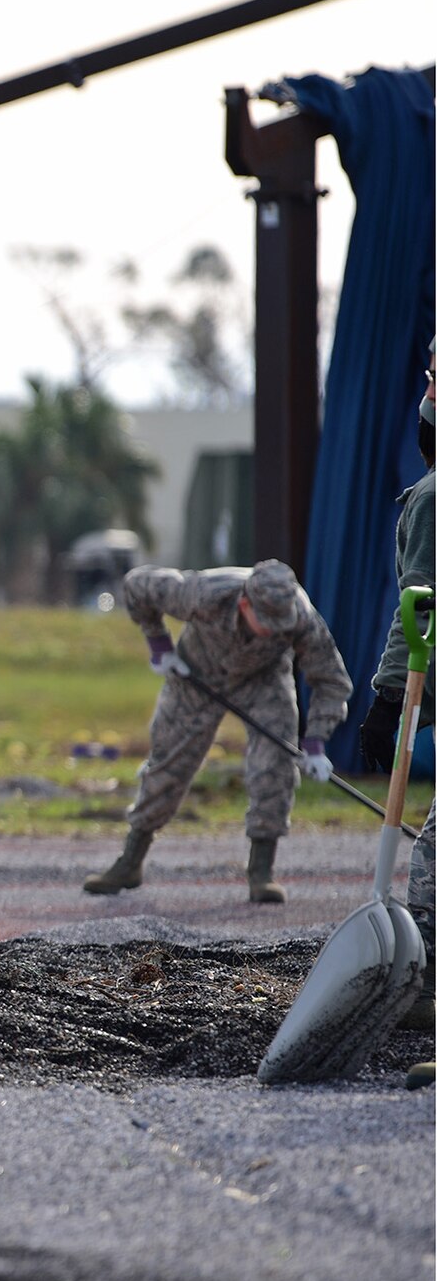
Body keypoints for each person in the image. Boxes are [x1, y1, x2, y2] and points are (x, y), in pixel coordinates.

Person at [84, 558, 352, 902]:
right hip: (196, 672)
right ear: (244, 604)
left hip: (263, 679)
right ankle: (130, 862)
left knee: (275, 765)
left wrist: (315, 741)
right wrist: (159, 644)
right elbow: (137, 585)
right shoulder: (202, 593)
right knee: (169, 763)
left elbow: (331, 680)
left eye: (278, 624)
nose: (273, 629)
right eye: (265, 621)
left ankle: (261, 873)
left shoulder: (301, 617)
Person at [358, 337, 434, 1040]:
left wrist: (387, 701)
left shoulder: (433, 498)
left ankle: (426, 985)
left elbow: (422, 605)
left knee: (434, 855)